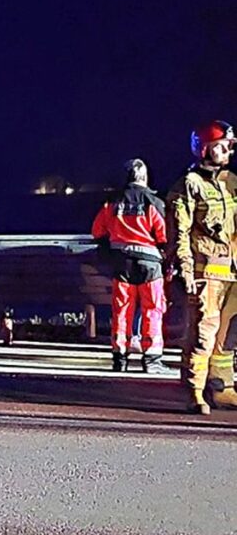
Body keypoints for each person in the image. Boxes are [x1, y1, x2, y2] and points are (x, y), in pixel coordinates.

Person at [167, 120, 237, 414]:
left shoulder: (232, 182)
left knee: (228, 335)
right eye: (223, 146)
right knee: (203, 334)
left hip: (233, 273)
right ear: (205, 149)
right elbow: (179, 234)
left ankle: (222, 388)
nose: (229, 152)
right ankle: (194, 391)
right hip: (204, 273)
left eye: (230, 146)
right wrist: (185, 270)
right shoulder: (189, 185)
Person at [92, 159, 169, 373]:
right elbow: (164, 235)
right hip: (150, 265)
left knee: (122, 309)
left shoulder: (112, 202)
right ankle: (151, 359)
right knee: (152, 309)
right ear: (145, 177)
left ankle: (120, 358)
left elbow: (98, 231)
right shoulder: (153, 202)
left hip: (121, 263)